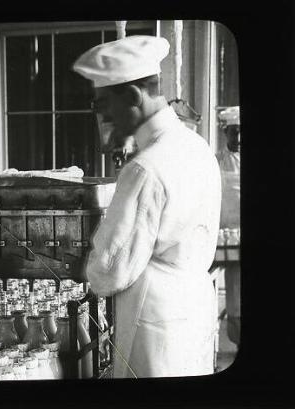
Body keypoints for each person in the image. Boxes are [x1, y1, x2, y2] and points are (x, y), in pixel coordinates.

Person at [73, 36, 222, 377]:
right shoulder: (196, 146)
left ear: (133, 96)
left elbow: (110, 272)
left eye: (103, 103)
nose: (103, 115)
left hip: (154, 320)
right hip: (191, 308)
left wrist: (89, 264)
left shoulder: (145, 167)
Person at [216, 106, 241, 345]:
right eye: (234, 132)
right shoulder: (217, 162)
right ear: (226, 133)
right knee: (234, 301)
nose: (239, 138)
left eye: (242, 131)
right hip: (225, 237)